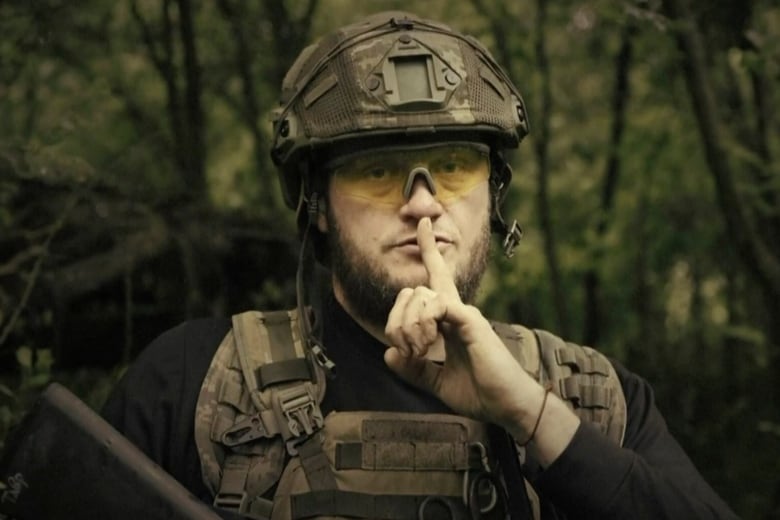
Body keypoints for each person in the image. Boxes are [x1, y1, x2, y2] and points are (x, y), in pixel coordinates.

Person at [101, 10, 739, 520]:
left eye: (456, 168)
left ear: (494, 194)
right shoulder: (202, 387)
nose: (424, 205)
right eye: (378, 173)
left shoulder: (594, 398)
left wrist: (530, 414)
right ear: (316, 204)